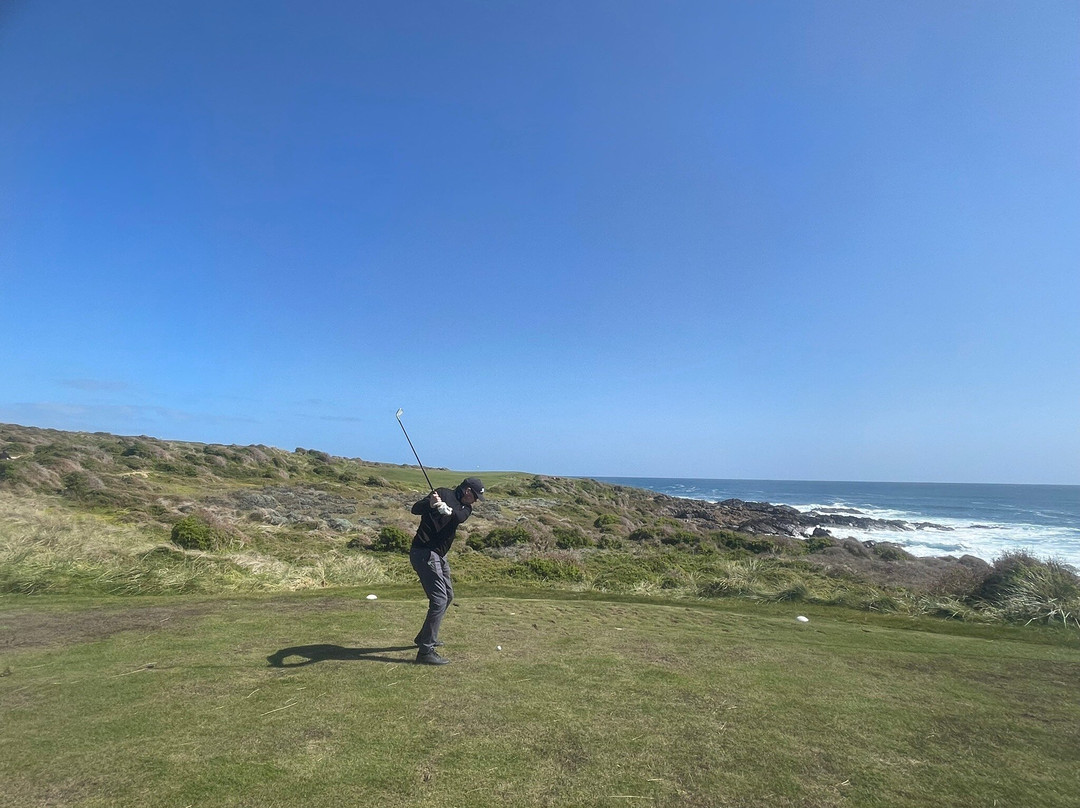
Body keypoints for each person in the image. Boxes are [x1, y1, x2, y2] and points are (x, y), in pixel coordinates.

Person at [409, 476, 484, 665]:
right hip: (424, 551)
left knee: (448, 596)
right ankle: (425, 651)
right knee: (439, 600)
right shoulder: (442, 493)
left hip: (440, 555)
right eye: (475, 496)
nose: (475, 501)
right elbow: (415, 509)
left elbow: (459, 517)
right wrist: (431, 504)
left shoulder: (466, 508)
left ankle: (424, 637)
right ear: (467, 491)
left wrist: (447, 510)